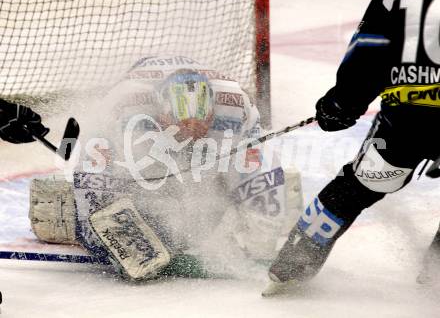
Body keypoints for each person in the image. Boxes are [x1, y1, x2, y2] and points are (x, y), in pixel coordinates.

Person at [30, 55, 301, 281]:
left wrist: (260, 250)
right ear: (160, 111)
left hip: (209, 143)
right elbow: (92, 175)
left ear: (213, 111)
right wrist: (113, 242)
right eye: (181, 125)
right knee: (112, 208)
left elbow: (255, 174)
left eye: (202, 124)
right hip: (129, 150)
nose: (192, 133)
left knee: (250, 184)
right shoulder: (122, 108)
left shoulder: (236, 109)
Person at [263, 0, 440, 296]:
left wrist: (341, 105)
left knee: (358, 186)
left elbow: (368, 52)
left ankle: (292, 263)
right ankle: (437, 274)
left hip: (406, 119)